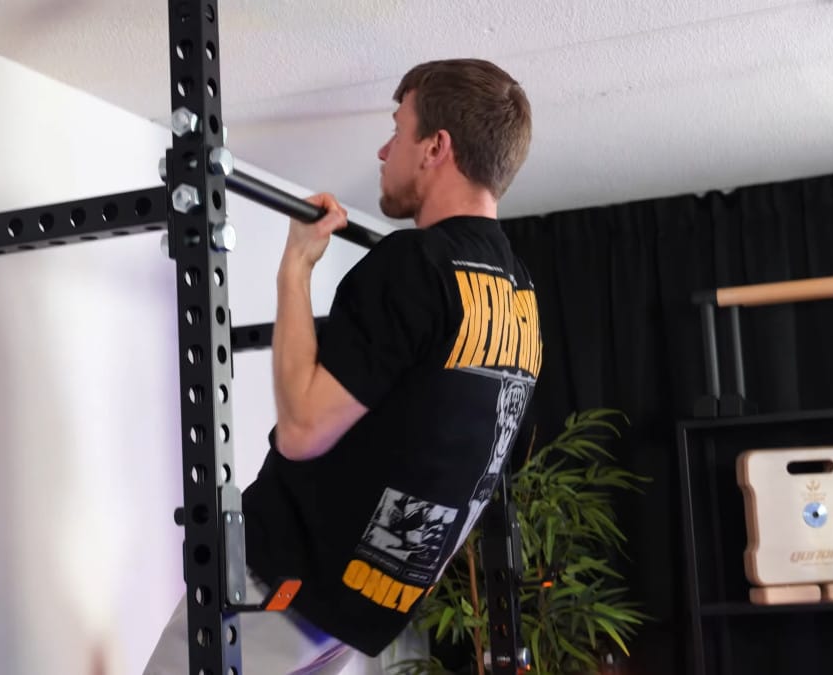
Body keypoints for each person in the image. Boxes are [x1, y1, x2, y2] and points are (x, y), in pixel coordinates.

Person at [145, 57, 542, 674]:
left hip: (283, 585)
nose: (384, 150)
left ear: (436, 147)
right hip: (367, 607)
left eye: (397, 130)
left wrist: (296, 267)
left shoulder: (416, 265)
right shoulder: (521, 295)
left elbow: (303, 430)